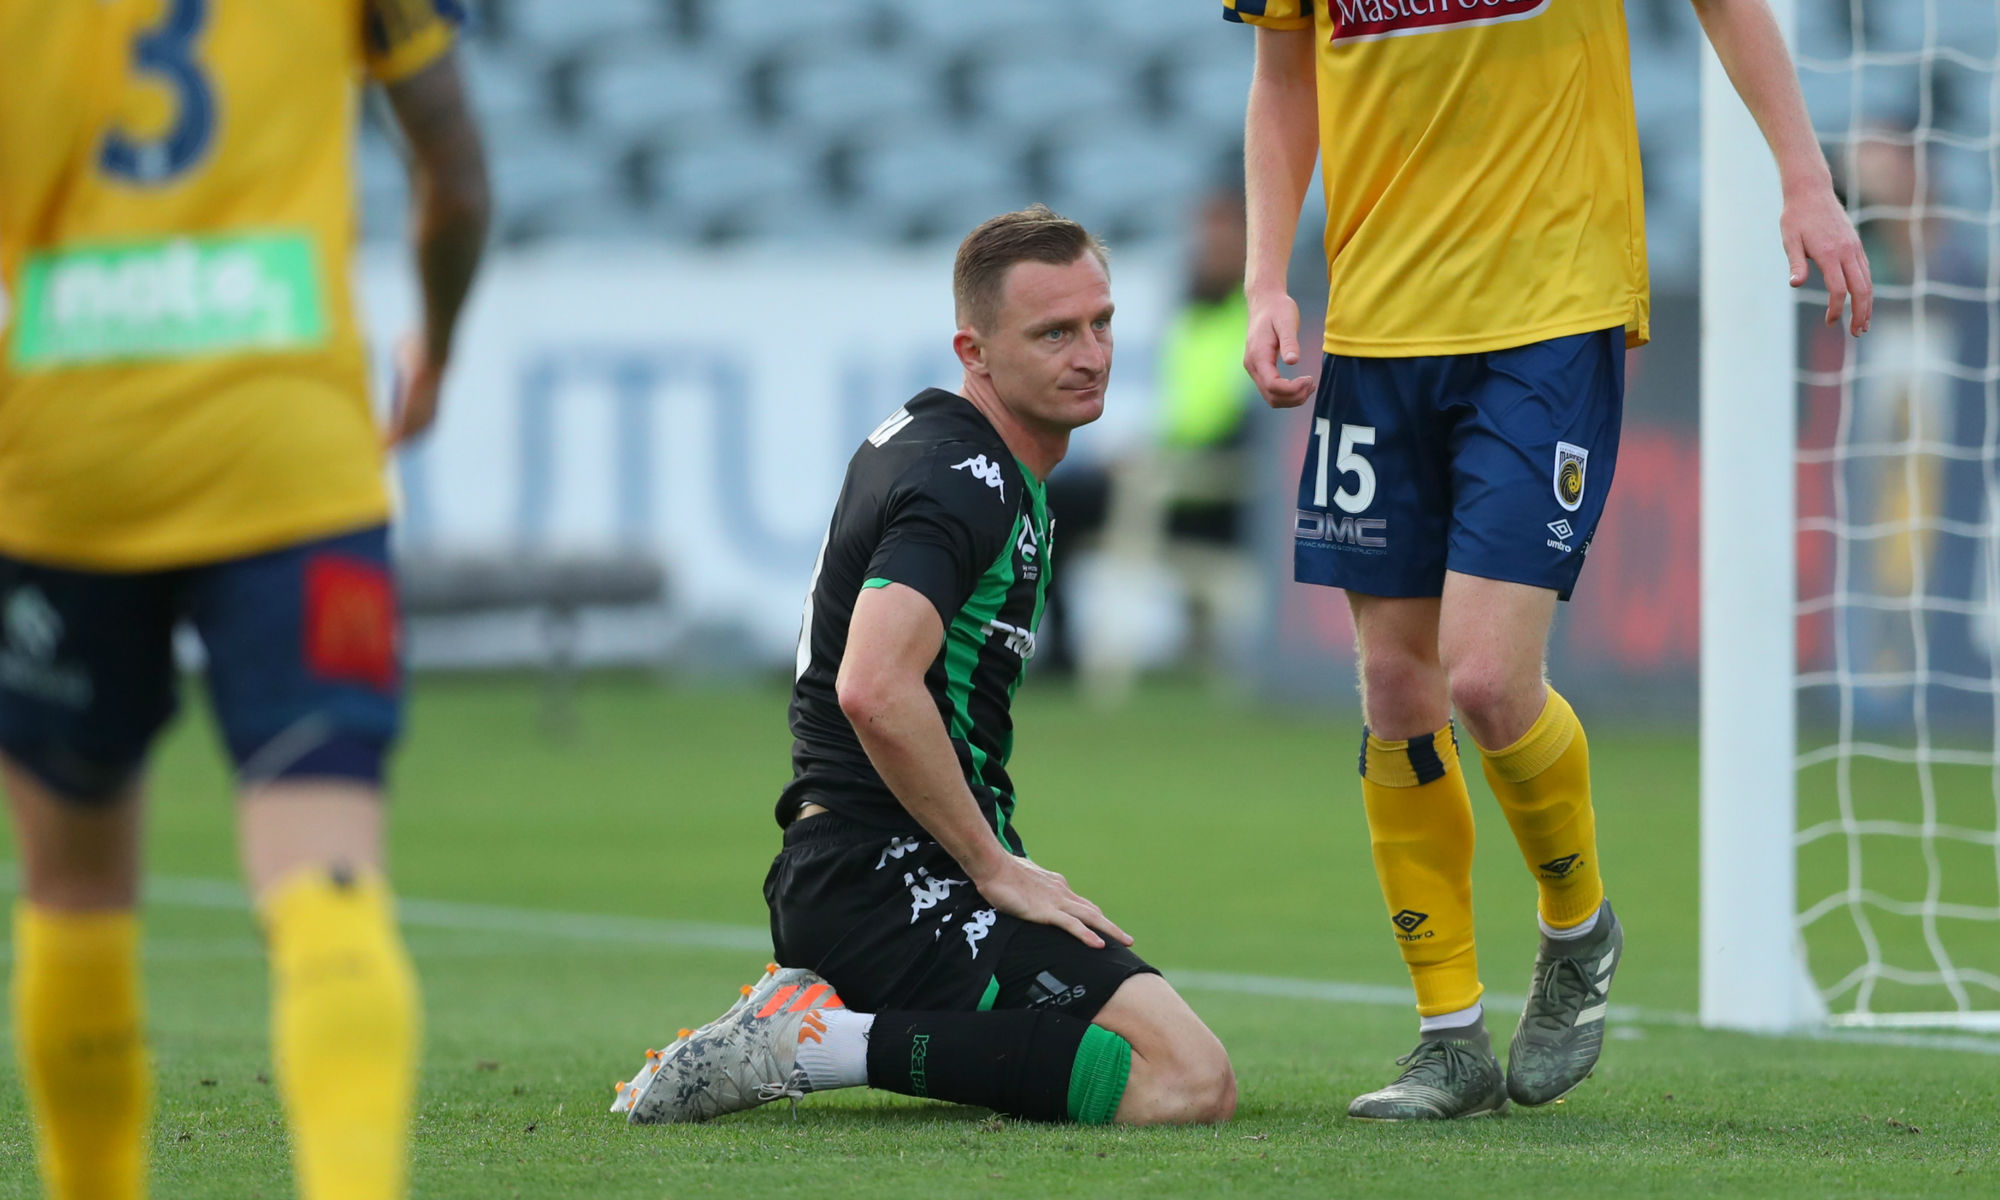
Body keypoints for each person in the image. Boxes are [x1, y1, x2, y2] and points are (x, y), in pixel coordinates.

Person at [1226, 0, 1870, 1120]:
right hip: (1377, 324)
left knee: (1481, 677)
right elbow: (1283, 72)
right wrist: (1265, 276)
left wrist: (1803, 177)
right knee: (1393, 686)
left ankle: (1577, 930)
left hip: (1545, 313)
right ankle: (1447, 1040)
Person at [0, 2, 488, 1195]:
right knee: (324, 877)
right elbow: (456, 175)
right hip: (290, 454)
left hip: (67, 448)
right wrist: (437, 339)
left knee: (73, 891)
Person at [614, 206, 1235, 1127]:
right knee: (1187, 1081)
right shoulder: (962, 483)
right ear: (974, 350)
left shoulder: (964, 452)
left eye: (1102, 323)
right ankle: (811, 1041)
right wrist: (992, 865)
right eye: (1054, 333)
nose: (1092, 354)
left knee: (1153, 1061)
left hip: (877, 864)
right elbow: (873, 684)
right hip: (883, 876)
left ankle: (828, 1025)